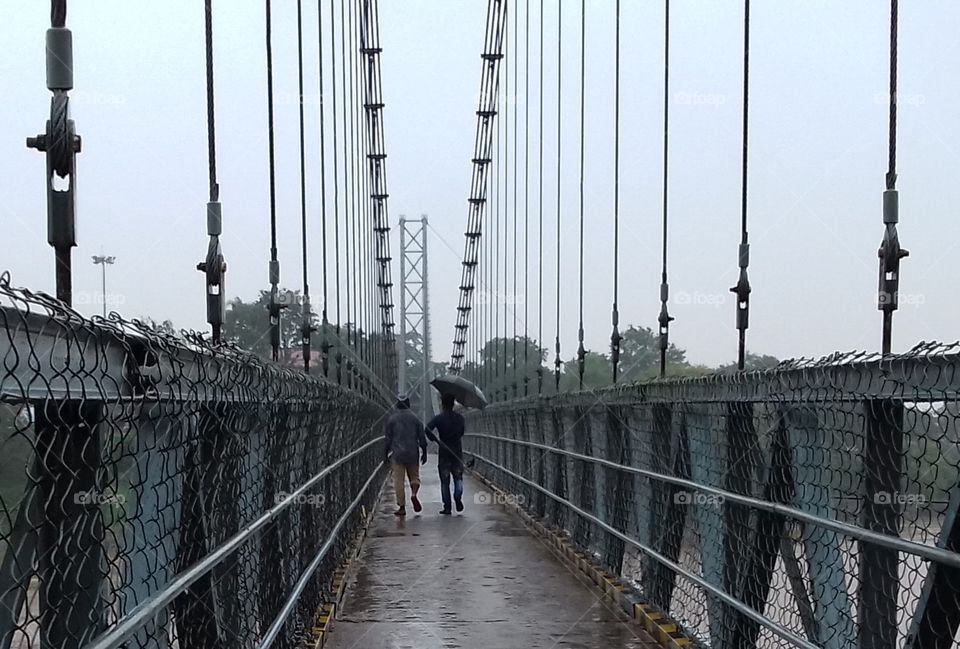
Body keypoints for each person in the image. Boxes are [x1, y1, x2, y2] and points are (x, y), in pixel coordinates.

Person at [384, 394, 427, 516]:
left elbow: (388, 439)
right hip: (413, 453)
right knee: (415, 478)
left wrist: (385, 453)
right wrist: (424, 452)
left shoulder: (392, 419)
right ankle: (414, 493)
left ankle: (402, 507)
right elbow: (422, 438)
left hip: (398, 454)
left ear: (397, 405)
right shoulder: (416, 419)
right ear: (409, 404)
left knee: (399, 481)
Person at [425, 393, 466, 515]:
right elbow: (462, 432)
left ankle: (447, 507)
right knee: (458, 477)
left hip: (444, 452)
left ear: (442, 404)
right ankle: (458, 496)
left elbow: (427, 429)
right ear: (453, 404)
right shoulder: (460, 418)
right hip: (457, 451)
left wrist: (435, 440)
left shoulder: (439, 418)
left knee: (445, 481)